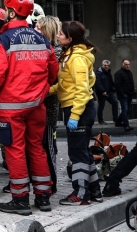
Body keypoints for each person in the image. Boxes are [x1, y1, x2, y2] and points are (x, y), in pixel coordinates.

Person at [0, 0, 59, 215]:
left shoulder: (4, 40)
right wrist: (40, 90)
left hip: (11, 108)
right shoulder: (42, 39)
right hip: (36, 105)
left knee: (15, 151)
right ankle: (43, 196)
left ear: (11, 12)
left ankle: (20, 199)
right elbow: (53, 72)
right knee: (37, 148)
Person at [50, 21, 102, 205]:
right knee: (84, 152)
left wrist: (74, 115)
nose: (58, 36)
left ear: (70, 38)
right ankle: (95, 192)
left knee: (77, 154)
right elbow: (66, 84)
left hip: (77, 108)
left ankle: (80, 194)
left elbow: (81, 89)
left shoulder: (76, 58)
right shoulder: (70, 54)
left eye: (61, 34)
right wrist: (47, 91)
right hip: (77, 107)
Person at [36, 15, 62, 194]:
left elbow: (56, 80)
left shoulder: (57, 51)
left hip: (48, 106)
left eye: (38, 28)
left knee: (48, 146)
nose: (34, 30)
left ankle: (51, 182)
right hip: (36, 105)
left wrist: (43, 91)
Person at [95, 60, 119, 125]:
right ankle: (100, 121)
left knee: (115, 102)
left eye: (107, 65)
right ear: (102, 65)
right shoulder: (98, 73)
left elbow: (110, 81)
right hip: (101, 92)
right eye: (105, 65)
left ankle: (116, 119)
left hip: (109, 91)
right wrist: (102, 91)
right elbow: (98, 83)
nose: (106, 67)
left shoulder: (108, 72)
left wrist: (114, 89)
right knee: (101, 106)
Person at [114, 59, 135, 132]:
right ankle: (126, 125)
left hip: (129, 94)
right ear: (122, 64)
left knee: (127, 110)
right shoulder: (118, 73)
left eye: (128, 64)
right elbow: (117, 85)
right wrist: (123, 94)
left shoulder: (129, 73)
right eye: (126, 64)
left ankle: (118, 122)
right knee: (125, 109)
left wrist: (132, 92)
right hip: (123, 95)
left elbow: (131, 83)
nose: (127, 66)